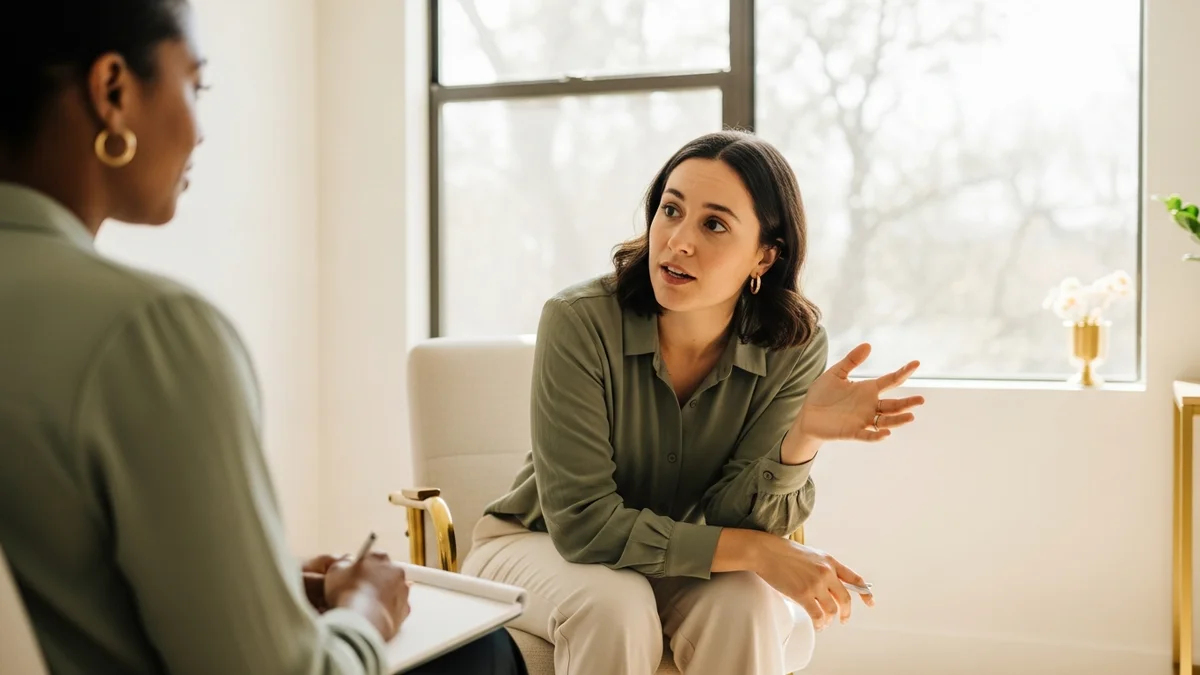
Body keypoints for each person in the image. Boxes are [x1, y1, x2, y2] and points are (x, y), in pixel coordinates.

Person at [0, 2, 525, 674]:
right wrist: (366, 609)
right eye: (196, 85)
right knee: (482, 652)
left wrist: (261, 582)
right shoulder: (147, 335)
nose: (200, 131)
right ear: (113, 91)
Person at [461, 130, 925, 675]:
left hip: (675, 557)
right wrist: (756, 553)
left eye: (714, 225)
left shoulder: (792, 347)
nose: (679, 241)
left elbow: (737, 515)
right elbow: (584, 525)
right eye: (671, 210)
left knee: (746, 606)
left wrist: (801, 438)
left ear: (764, 256)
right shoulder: (579, 320)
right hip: (538, 545)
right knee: (616, 607)